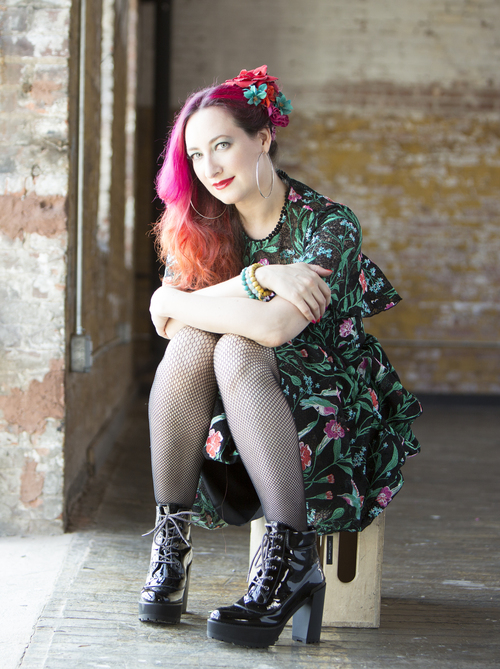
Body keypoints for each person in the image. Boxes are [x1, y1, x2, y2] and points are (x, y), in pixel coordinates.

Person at [138, 65, 422, 648]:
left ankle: (291, 556)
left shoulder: (328, 224)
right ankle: (171, 540)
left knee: (235, 346)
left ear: (263, 138)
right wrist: (258, 279)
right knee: (195, 344)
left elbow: (271, 328)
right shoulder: (201, 223)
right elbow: (169, 323)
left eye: (223, 145)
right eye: (196, 155)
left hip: (329, 390)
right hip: (241, 387)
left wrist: (182, 302)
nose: (210, 167)